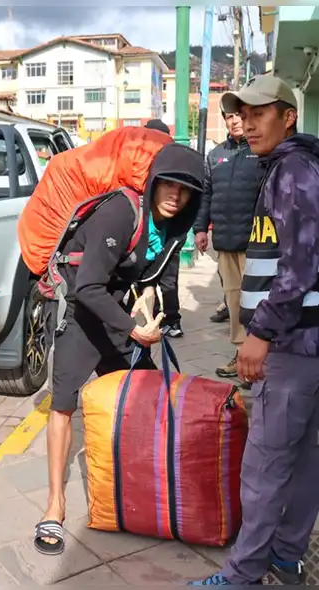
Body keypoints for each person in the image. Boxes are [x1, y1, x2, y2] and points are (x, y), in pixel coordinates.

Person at [35, 143, 206, 555]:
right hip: (79, 310)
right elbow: (89, 286)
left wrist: (144, 304)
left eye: (185, 190)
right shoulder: (120, 212)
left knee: (146, 394)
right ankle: (55, 504)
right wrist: (134, 330)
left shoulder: (171, 228)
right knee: (63, 405)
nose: (175, 195)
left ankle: (135, 483)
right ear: (153, 183)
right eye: (168, 184)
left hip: (114, 310)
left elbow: (144, 277)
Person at [192, 75, 319, 587]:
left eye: (259, 113)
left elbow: (300, 264)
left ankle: (242, 574)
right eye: (242, 115)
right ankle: (286, 557)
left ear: (288, 116)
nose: (247, 124)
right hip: (308, 341)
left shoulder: (291, 170)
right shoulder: (300, 167)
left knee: (266, 464)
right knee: (308, 458)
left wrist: (261, 332)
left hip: (290, 344)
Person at [191, 102, 266, 388]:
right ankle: (240, 354)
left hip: (257, 245)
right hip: (225, 242)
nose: (235, 121)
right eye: (230, 117)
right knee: (234, 302)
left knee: (257, 302)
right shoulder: (215, 155)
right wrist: (200, 229)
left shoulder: (261, 151)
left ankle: (261, 359)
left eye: (239, 116)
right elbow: (206, 195)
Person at [143, 119, 184, 338]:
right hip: (148, 233)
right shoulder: (140, 164)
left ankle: (172, 319)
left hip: (170, 235)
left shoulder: (174, 164)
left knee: (168, 280)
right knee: (147, 279)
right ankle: (156, 318)